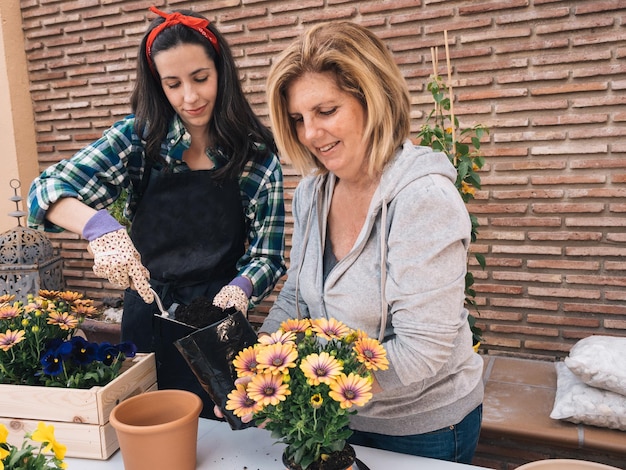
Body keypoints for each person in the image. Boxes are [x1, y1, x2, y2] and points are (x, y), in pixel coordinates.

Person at [219, 21, 484, 463]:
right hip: (337, 419)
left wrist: (294, 388)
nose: (310, 135)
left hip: (420, 427)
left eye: (326, 111)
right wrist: (256, 368)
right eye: (298, 119)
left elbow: (423, 350)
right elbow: (295, 301)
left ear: (373, 99)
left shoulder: (423, 199)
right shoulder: (313, 191)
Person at [27, 6, 286, 418]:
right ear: (157, 85)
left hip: (216, 319)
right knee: (150, 426)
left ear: (221, 72)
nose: (190, 96)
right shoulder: (137, 140)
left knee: (223, 433)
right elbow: (45, 190)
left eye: (201, 78)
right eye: (173, 84)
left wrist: (242, 289)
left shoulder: (255, 158)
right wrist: (99, 227)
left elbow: (267, 256)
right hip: (147, 311)